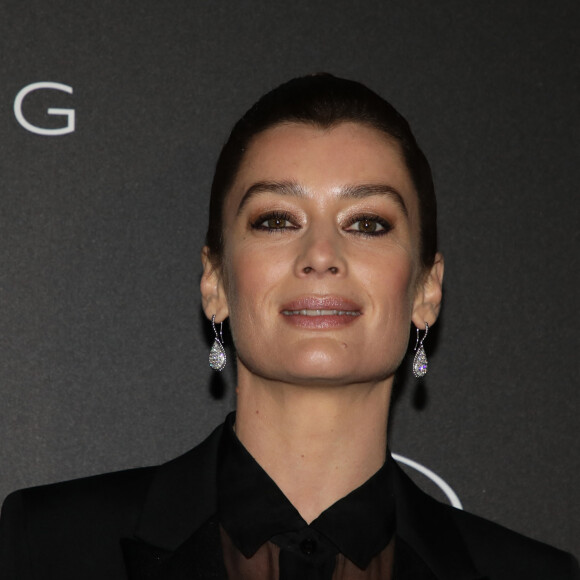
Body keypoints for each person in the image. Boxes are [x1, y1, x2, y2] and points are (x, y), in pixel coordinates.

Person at [0, 74, 578, 580]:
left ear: (426, 291)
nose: (321, 254)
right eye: (276, 219)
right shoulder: (46, 548)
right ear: (216, 283)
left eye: (368, 222)